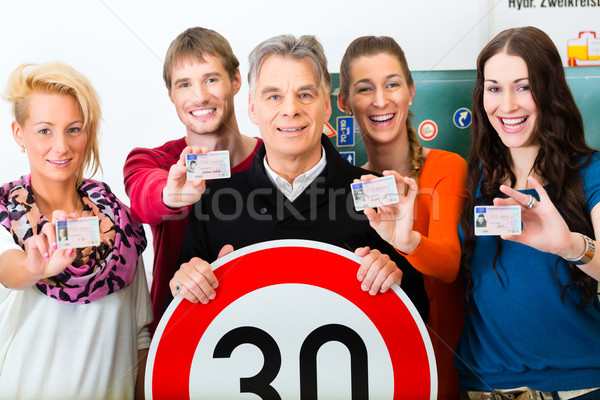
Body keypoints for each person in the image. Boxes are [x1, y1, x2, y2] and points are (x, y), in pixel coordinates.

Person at [170, 34, 429, 322]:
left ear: (327, 107)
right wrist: (186, 284)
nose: (291, 109)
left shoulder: (375, 191)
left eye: (305, 94)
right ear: (253, 109)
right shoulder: (214, 197)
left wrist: (395, 281)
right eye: (274, 96)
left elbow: (419, 313)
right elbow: (184, 316)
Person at [457, 26, 600, 398]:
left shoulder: (590, 172)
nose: (507, 106)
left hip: (579, 386)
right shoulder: (473, 178)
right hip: (483, 388)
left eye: (523, 87)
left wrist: (570, 245)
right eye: (494, 88)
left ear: (549, 90)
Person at [0, 62, 151, 399]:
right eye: (44, 130)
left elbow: (140, 334)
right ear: (18, 133)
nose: (61, 147)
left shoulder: (120, 222)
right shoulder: (5, 216)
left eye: (74, 129)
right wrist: (32, 267)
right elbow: (8, 270)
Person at [337, 36, 467, 399]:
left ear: (410, 90)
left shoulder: (445, 167)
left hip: (442, 375)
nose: (381, 100)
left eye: (392, 84)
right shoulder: (344, 186)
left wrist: (406, 240)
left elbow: (448, 266)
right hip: (373, 378)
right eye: (365, 88)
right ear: (345, 102)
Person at [123, 27, 262, 332]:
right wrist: (171, 196)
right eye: (184, 84)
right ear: (171, 94)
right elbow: (144, 196)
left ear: (236, 80)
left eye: (211, 79)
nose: (200, 96)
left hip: (264, 329)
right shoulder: (150, 160)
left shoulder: (275, 156)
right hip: (175, 340)